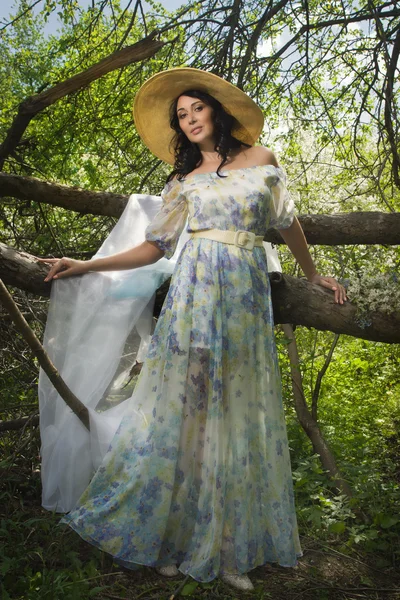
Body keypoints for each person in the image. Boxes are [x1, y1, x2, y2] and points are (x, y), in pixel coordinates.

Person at [39, 68, 347, 592]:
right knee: (186, 411)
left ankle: (229, 550)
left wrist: (313, 274)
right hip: (194, 297)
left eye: (195, 109)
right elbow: (154, 247)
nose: (189, 120)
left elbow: (287, 223)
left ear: (216, 111)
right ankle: (166, 535)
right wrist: (85, 265)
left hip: (246, 300)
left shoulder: (264, 160)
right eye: (180, 116)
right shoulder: (182, 182)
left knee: (237, 412)